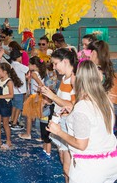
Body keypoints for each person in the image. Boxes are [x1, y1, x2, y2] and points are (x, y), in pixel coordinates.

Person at [47, 60, 117, 182]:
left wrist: (58, 132)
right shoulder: (105, 100)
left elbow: (81, 144)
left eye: (73, 74)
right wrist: (73, 111)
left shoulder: (82, 108)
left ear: (78, 79)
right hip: (110, 163)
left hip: (89, 169)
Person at [41, 48, 77, 182]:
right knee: (63, 161)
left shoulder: (73, 79)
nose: (54, 67)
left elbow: (72, 105)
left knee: (68, 168)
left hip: (69, 124)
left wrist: (52, 96)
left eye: (56, 64)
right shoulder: (65, 79)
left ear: (66, 61)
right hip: (61, 122)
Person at [0, 48, 23, 150]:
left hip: (5, 104)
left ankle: (8, 141)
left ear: (4, 72)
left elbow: (11, 95)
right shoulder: (1, 79)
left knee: (5, 124)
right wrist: (0, 55)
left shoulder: (9, 82)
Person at [19, 56, 46, 139]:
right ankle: (42, 135)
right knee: (39, 116)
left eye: (29, 64)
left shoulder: (34, 74)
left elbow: (41, 84)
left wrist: (37, 94)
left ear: (34, 65)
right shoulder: (40, 73)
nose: (28, 66)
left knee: (29, 116)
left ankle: (28, 134)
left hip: (35, 96)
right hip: (37, 95)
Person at [9, 50, 29, 131]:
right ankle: (15, 123)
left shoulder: (12, 65)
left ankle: (11, 120)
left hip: (13, 90)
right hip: (19, 91)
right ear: (18, 57)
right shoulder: (20, 66)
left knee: (14, 106)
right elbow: (28, 68)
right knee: (19, 107)